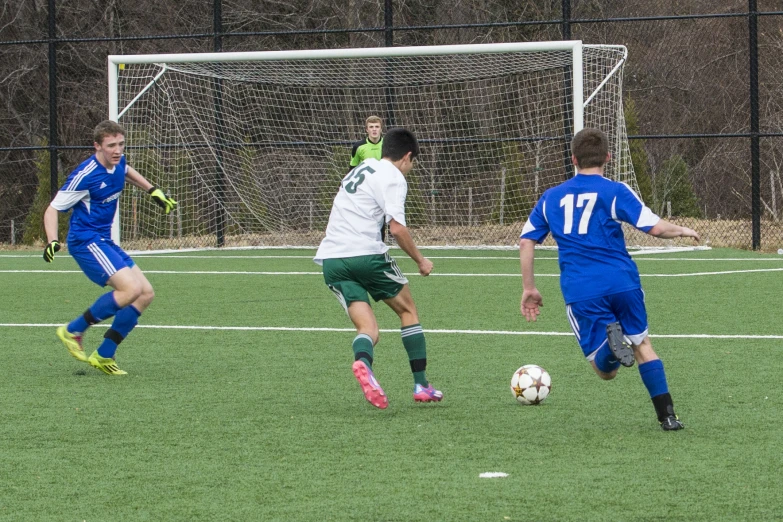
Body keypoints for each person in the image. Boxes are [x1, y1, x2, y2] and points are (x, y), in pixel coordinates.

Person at [518, 127, 699, 431]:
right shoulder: (616, 190)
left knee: (605, 372)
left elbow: (526, 241)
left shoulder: (551, 198)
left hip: (582, 288)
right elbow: (652, 226)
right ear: (608, 157)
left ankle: (610, 351)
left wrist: (529, 288)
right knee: (642, 344)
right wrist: (683, 230)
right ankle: (667, 416)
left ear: (573, 159)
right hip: (622, 282)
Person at [315, 127, 442, 409]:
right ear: (407, 157)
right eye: (413, 163)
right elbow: (396, 228)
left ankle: (363, 362)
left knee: (368, 327)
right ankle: (421, 384)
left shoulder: (361, 167)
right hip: (366, 254)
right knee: (407, 310)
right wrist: (421, 261)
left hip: (332, 259)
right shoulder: (394, 177)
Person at [43, 119, 177, 376]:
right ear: (97, 146)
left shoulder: (118, 162)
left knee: (145, 294)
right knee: (131, 289)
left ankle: (104, 354)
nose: (117, 150)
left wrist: (153, 190)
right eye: (111, 145)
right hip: (85, 241)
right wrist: (52, 240)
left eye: (121, 144)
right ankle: (73, 330)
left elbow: (126, 170)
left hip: (103, 240)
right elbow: (52, 208)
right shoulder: (85, 175)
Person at [348, 115, 388, 242]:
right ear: (366, 130)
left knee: (382, 219)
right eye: (371, 127)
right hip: (366, 189)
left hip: (384, 187)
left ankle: (380, 247)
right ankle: (364, 245)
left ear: (381, 129)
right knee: (365, 219)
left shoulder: (388, 145)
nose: (374, 130)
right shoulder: (359, 147)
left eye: (377, 127)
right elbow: (352, 170)